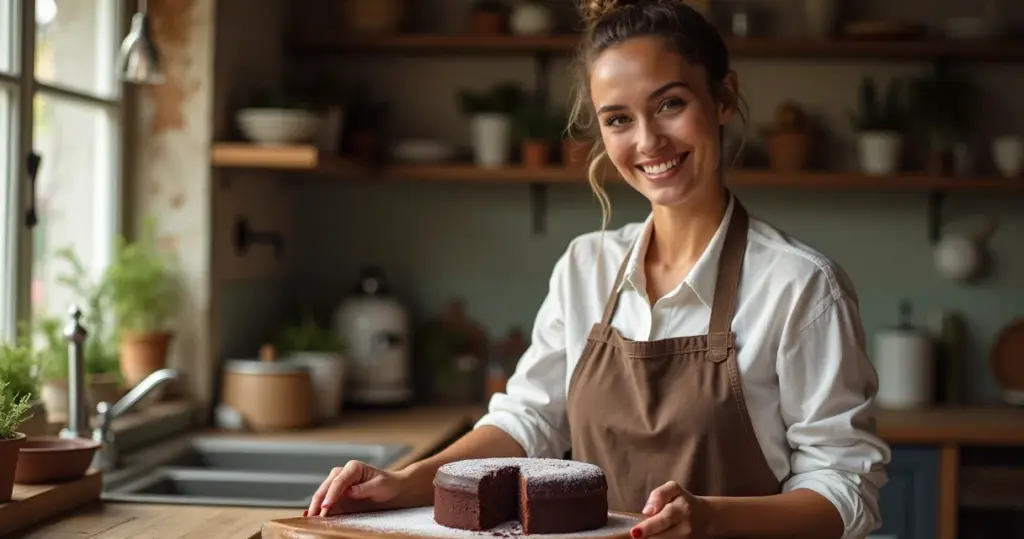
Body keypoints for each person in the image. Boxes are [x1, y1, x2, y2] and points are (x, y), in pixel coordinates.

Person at [306, 0, 891, 537]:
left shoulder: (800, 286)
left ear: (723, 98)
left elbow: (844, 490)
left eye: (670, 104)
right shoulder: (586, 266)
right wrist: (404, 481)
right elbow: (529, 422)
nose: (648, 141)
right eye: (618, 119)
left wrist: (710, 519)